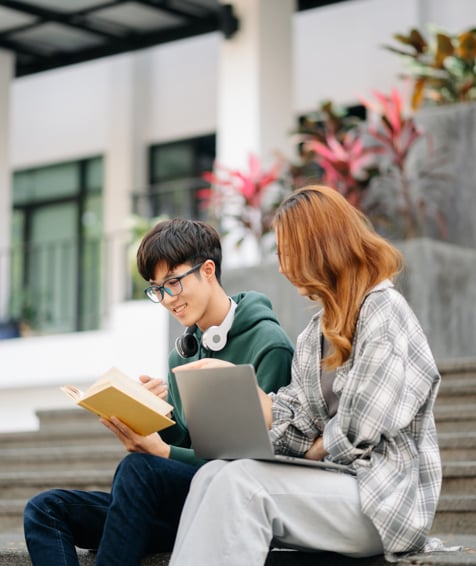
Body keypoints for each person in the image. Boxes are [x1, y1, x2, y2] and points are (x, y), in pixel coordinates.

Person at [168, 185, 443, 566]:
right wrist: (255, 400)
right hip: (334, 488)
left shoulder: (384, 311)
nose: (281, 267)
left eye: (286, 253)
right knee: (212, 474)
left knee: (241, 486)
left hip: (380, 499)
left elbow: (362, 426)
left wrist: (318, 446)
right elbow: (297, 421)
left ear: (320, 248)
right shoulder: (316, 333)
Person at [23, 218, 294, 566]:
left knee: (138, 468)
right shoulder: (183, 350)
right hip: (178, 502)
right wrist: (158, 415)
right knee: (44, 509)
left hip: (230, 500)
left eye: (173, 283)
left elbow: (251, 463)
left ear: (208, 270)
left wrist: (161, 452)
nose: (167, 299)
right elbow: (190, 443)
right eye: (158, 289)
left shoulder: (269, 346)